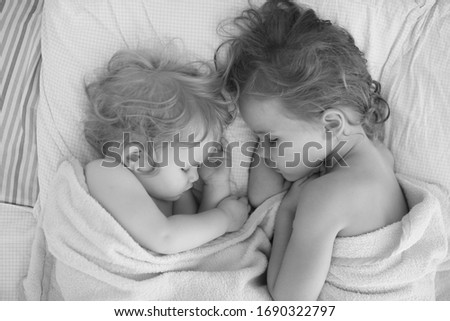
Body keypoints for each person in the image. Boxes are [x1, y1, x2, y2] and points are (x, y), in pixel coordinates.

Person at [217, 0, 409, 300]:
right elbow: (261, 195)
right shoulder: (378, 155)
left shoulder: (323, 196)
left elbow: (290, 301)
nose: (263, 153)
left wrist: (289, 212)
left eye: (272, 139)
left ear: (331, 124)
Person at [83, 49, 250, 255]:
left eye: (196, 165)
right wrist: (225, 218)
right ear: (137, 158)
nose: (194, 175)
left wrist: (215, 185)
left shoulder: (175, 194)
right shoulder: (106, 174)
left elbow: (192, 246)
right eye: (185, 167)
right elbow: (166, 239)